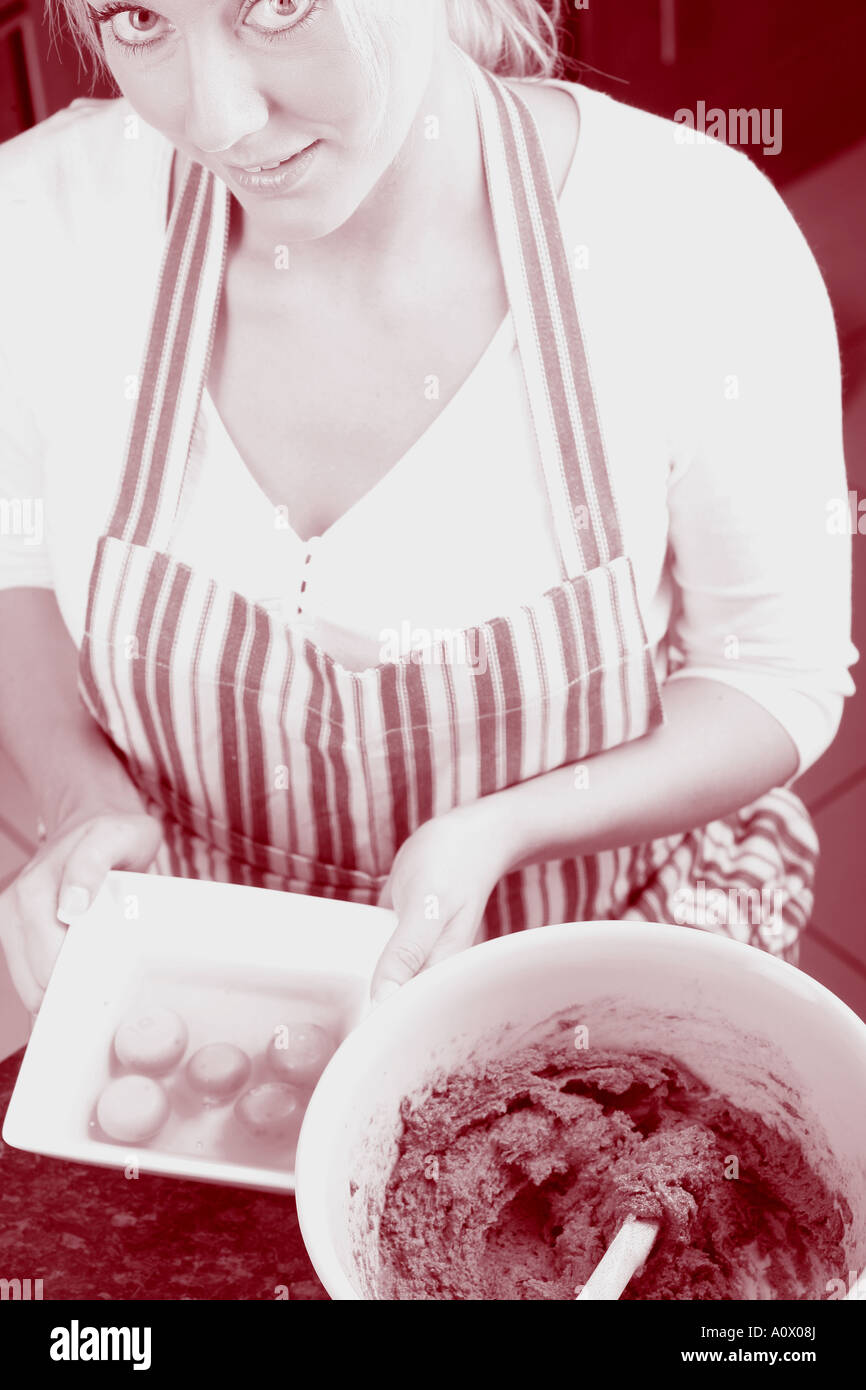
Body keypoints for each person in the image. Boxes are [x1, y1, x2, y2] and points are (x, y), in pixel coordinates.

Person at [0, 0, 856, 1018]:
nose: (218, 117)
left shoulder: (692, 240)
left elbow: (771, 674)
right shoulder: (42, 223)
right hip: (205, 974)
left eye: (277, 5)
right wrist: (80, 798)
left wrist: (501, 827)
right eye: (137, 18)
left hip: (580, 961)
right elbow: (24, 557)